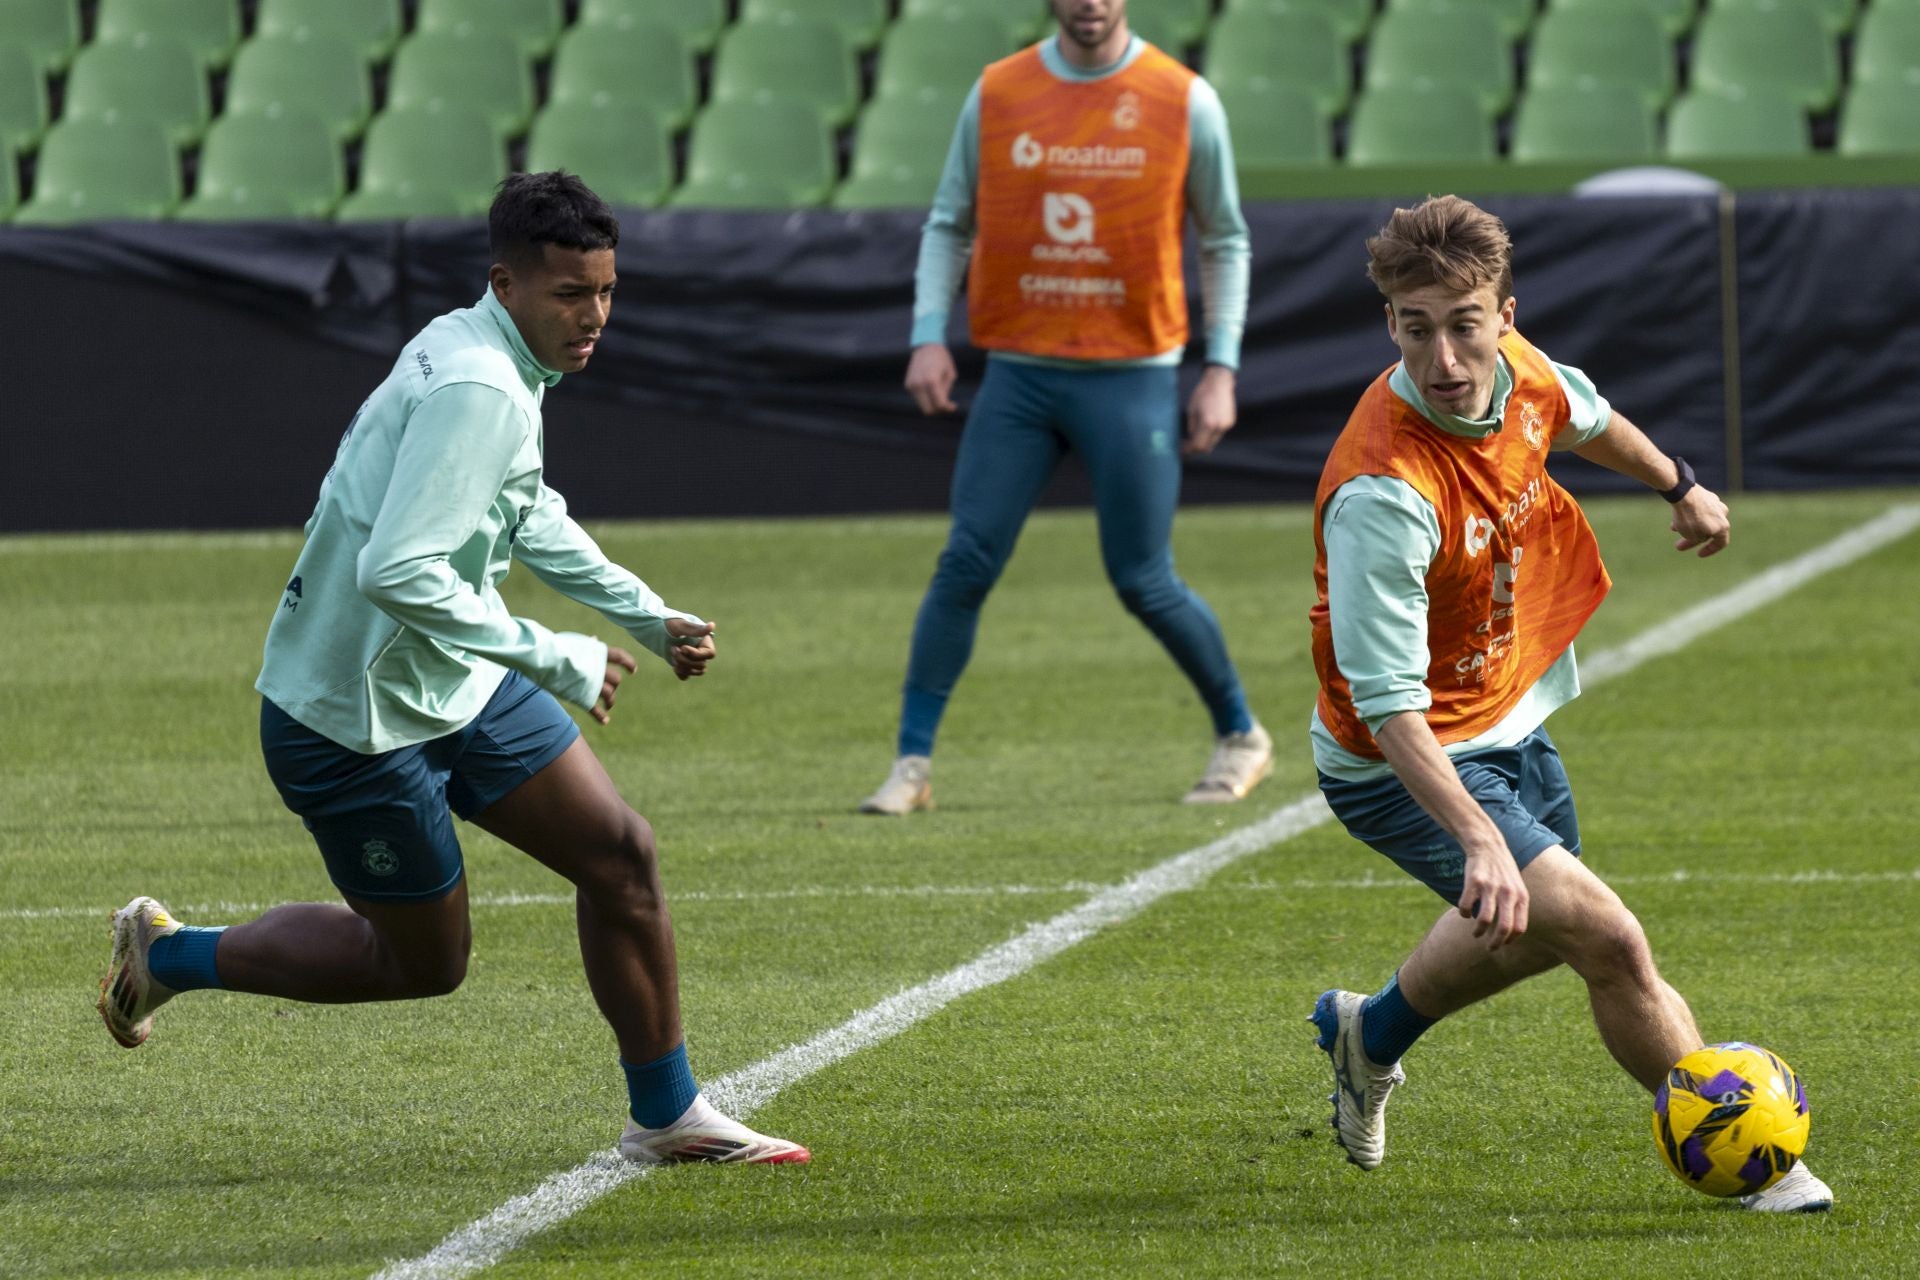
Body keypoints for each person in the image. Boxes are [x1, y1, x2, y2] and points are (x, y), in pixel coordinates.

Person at [98, 172, 807, 1167]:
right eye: (571, 294)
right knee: (420, 963)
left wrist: (646, 613)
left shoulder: (488, 352)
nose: (594, 314)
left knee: (619, 855)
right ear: (507, 282)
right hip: (351, 717)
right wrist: (557, 652)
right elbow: (396, 569)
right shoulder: (477, 384)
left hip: (450, 678)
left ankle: (668, 1111)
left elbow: (523, 508)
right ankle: (167, 954)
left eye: (606, 290)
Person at [1304, 195, 1830, 1211]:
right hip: (1399, 761)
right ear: (1390, 325)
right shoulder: (1385, 492)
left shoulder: (1522, 372)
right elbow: (1387, 713)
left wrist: (1679, 483)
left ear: (1506, 315)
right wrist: (1479, 839)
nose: (1445, 357)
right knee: (1608, 938)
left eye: (1465, 324)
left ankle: (1368, 1036)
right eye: (1416, 329)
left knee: (1541, 933)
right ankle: (1747, 1156)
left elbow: (1588, 417)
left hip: (1508, 715)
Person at [859, 0, 1271, 815]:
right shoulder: (999, 91)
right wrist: (927, 335)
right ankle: (911, 763)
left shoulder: (1183, 97)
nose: (1090, 3)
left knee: (1143, 579)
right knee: (966, 561)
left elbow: (1225, 238)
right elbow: (950, 223)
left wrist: (1220, 368)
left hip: (1133, 372)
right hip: (1020, 372)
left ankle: (1242, 734)